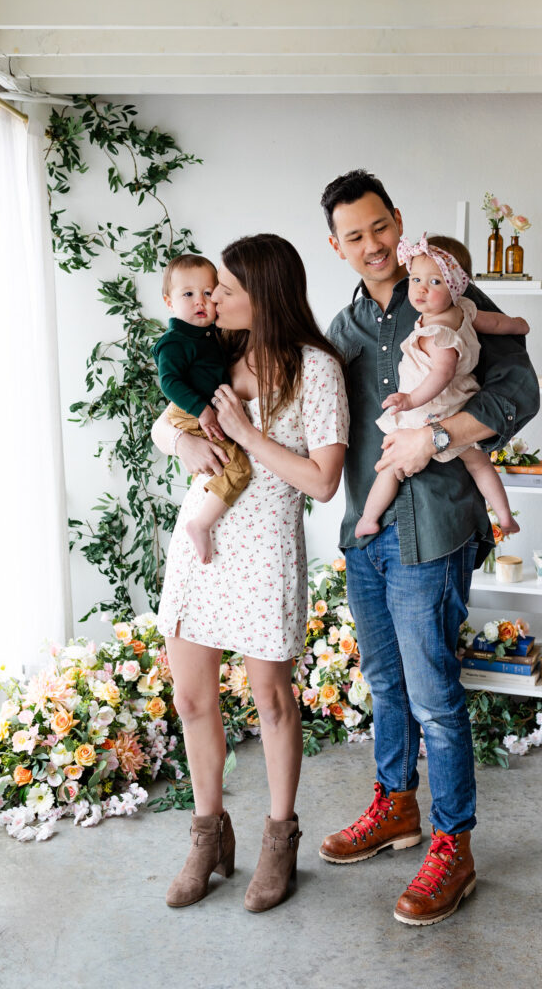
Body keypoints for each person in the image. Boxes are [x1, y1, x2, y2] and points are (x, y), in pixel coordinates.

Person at [318, 170, 539, 926]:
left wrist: (436, 435)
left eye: (381, 227)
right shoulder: (344, 329)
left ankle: (453, 844)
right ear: (337, 247)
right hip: (367, 531)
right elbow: (290, 384)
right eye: (355, 236)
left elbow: (518, 397)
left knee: (435, 701)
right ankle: (395, 808)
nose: (373, 245)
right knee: (383, 685)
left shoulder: (456, 298)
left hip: (437, 529)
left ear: (398, 223)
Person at [151, 233, 348, 913]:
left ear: (261, 296)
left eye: (226, 290)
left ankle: (277, 836)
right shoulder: (215, 348)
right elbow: (164, 418)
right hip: (201, 541)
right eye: (207, 291)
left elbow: (322, 482)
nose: (212, 300)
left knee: (270, 698)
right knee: (191, 699)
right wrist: (179, 438)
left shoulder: (314, 369)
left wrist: (246, 430)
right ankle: (208, 835)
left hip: (265, 543)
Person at [355, 232, 527, 538]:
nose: (421, 289)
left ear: (456, 286)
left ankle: (369, 517)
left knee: (390, 465)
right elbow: (499, 324)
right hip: (461, 405)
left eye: (435, 282)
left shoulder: (436, 332)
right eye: (415, 279)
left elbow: (441, 374)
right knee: (480, 465)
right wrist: (518, 324)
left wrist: (409, 399)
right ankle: (504, 515)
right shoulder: (466, 311)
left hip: (429, 410)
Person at [152, 253, 252, 565]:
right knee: (238, 467)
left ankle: (206, 510)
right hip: (190, 411)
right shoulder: (175, 341)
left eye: (208, 293)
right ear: (169, 302)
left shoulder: (213, 335)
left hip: (202, 410)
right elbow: (169, 382)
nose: (200, 301)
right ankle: (201, 523)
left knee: (227, 459)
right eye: (188, 294)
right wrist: (202, 411)